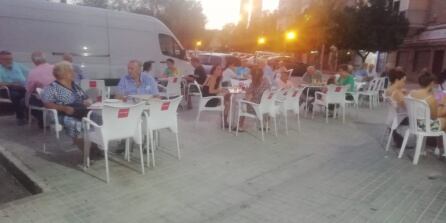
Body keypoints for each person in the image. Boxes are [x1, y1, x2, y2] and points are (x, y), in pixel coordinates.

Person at [41, 61, 94, 151]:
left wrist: (88, 101)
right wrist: (63, 108)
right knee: (74, 123)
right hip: (62, 114)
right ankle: (88, 151)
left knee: (98, 118)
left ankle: (96, 145)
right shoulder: (52, 87)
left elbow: (87, 98)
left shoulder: (75, 86)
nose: (74, 73)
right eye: (71, 71)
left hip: (80, 111)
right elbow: (47, 103)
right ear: (62, 74)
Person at [236, 66, 271, 132]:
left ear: (252, 75)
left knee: (243, 102)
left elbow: (247, 92)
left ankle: (240, 126)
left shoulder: (254, 83)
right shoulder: (266, 80)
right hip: (267, 108)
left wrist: (233, 89)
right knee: (249, 100)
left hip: (256, 108)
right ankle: (266, 125)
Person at [26, 51, 55, 127]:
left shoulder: (33, 72)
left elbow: (29, 89)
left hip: (44, 100)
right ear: (45, 59)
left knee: (24, 102)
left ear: (33, 61)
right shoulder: (55, 68)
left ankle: (42, 120)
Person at [0, 50, 29, 125]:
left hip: (22, 86)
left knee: (31, 93)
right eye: (6, 59)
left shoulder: (18, 65)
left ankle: (31, 114)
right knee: (15, 95)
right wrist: (12, 84)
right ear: (1, 60)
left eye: (10, 59)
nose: (9, 61)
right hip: (7, 88)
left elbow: (30, 73)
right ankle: (20, 117)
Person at [385, 69, 408, 147]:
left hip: (392, 117)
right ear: (397, 80)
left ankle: (397, 136)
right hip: (400, 118)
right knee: (419, 121)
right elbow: (406, 106)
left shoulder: (389, 90)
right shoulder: (397, 92)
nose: (404, 84)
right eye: (403, 81)